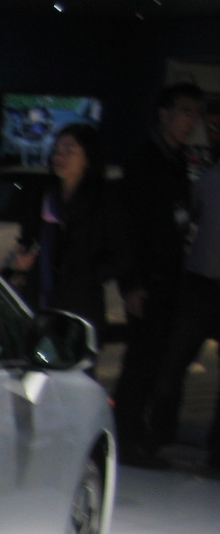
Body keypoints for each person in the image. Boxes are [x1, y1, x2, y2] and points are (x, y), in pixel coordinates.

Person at [114, 81, 205, 467]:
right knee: (142, 360)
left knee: (156, 361)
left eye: (195, 114)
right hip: (149, 280)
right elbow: (129, 229)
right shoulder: (144, 163)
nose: (190, 122)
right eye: (185, 112)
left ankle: (142, 437)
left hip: (171, 280)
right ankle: (127, 437)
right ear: (164, 114)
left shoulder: (178, 163)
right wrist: (132, 283)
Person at [4, 123, 126, 343]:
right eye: (57, 150)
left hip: (80, 309)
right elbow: (29, 242)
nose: (60, 157)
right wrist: (21, 264)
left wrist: (84, 278)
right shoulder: (43, 196)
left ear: (88, 158)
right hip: (39, 303)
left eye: (69, 150)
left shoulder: (103, 201)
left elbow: (120, 255)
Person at [148, 162, 220, 473]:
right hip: (200, 283)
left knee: (174, 362)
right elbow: (186, 221)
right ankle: (159, 435)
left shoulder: (208, 179)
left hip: (200, 280)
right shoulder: (209, 179)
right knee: (173, 363)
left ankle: (215, 451)